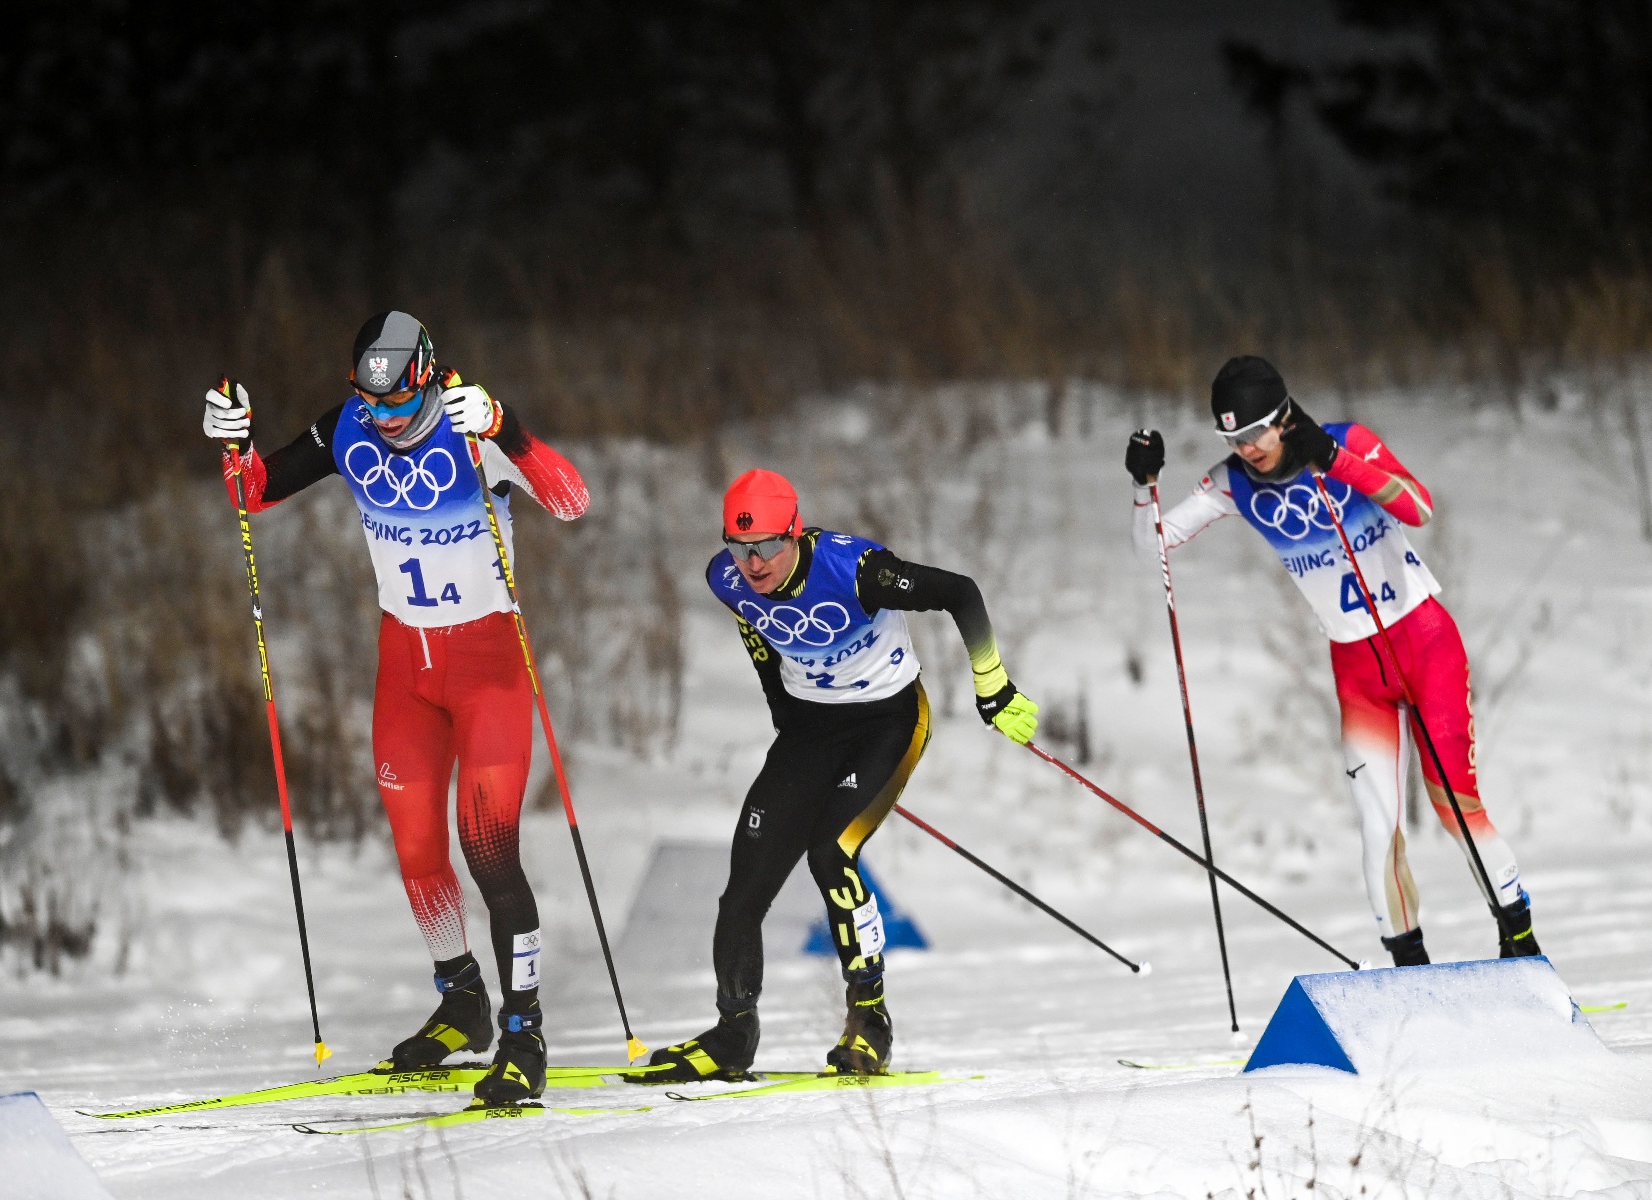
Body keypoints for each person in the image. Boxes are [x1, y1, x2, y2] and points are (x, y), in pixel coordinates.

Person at [201, 311, 590, 1103]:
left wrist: (508, 429)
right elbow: (255, 492)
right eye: (370, 405)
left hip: (487, 671)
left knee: (487, 850)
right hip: (405, 672)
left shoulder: (468, 425)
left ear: (427, 377)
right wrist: (231, 442)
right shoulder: (348, 427)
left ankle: (523, 1031)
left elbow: (573, 500)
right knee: (416, 852)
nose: (384, 421)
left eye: (397, 404)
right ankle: (461, 999)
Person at [1125, 355, 1540, 967]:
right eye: (1231, 438)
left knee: (1453, 804)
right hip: (1357, 670)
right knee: (1379, 829)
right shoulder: (1232, 483)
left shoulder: (1349, 441)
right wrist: (1143, 486)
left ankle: (1521, 940)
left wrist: (1336, 460)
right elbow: (1152, 547)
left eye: (1254, 433)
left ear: (1284, 416)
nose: (1246, 450)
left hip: (1423, 644)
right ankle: (1410, 968)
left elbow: (1419, 508)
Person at [641, 469, 1040, 1080]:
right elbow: (761, 639)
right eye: (739, 546)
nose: (753, 562)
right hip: (812, 729)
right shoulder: (726, 580)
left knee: (831, 854)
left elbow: (961, 593)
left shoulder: (856, 571)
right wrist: (785, 716)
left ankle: (869, 1020)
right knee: (745, 880)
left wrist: (992, 683)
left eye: (769, 544)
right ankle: (732, 1033)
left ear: (795, 532)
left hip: (889, 721)